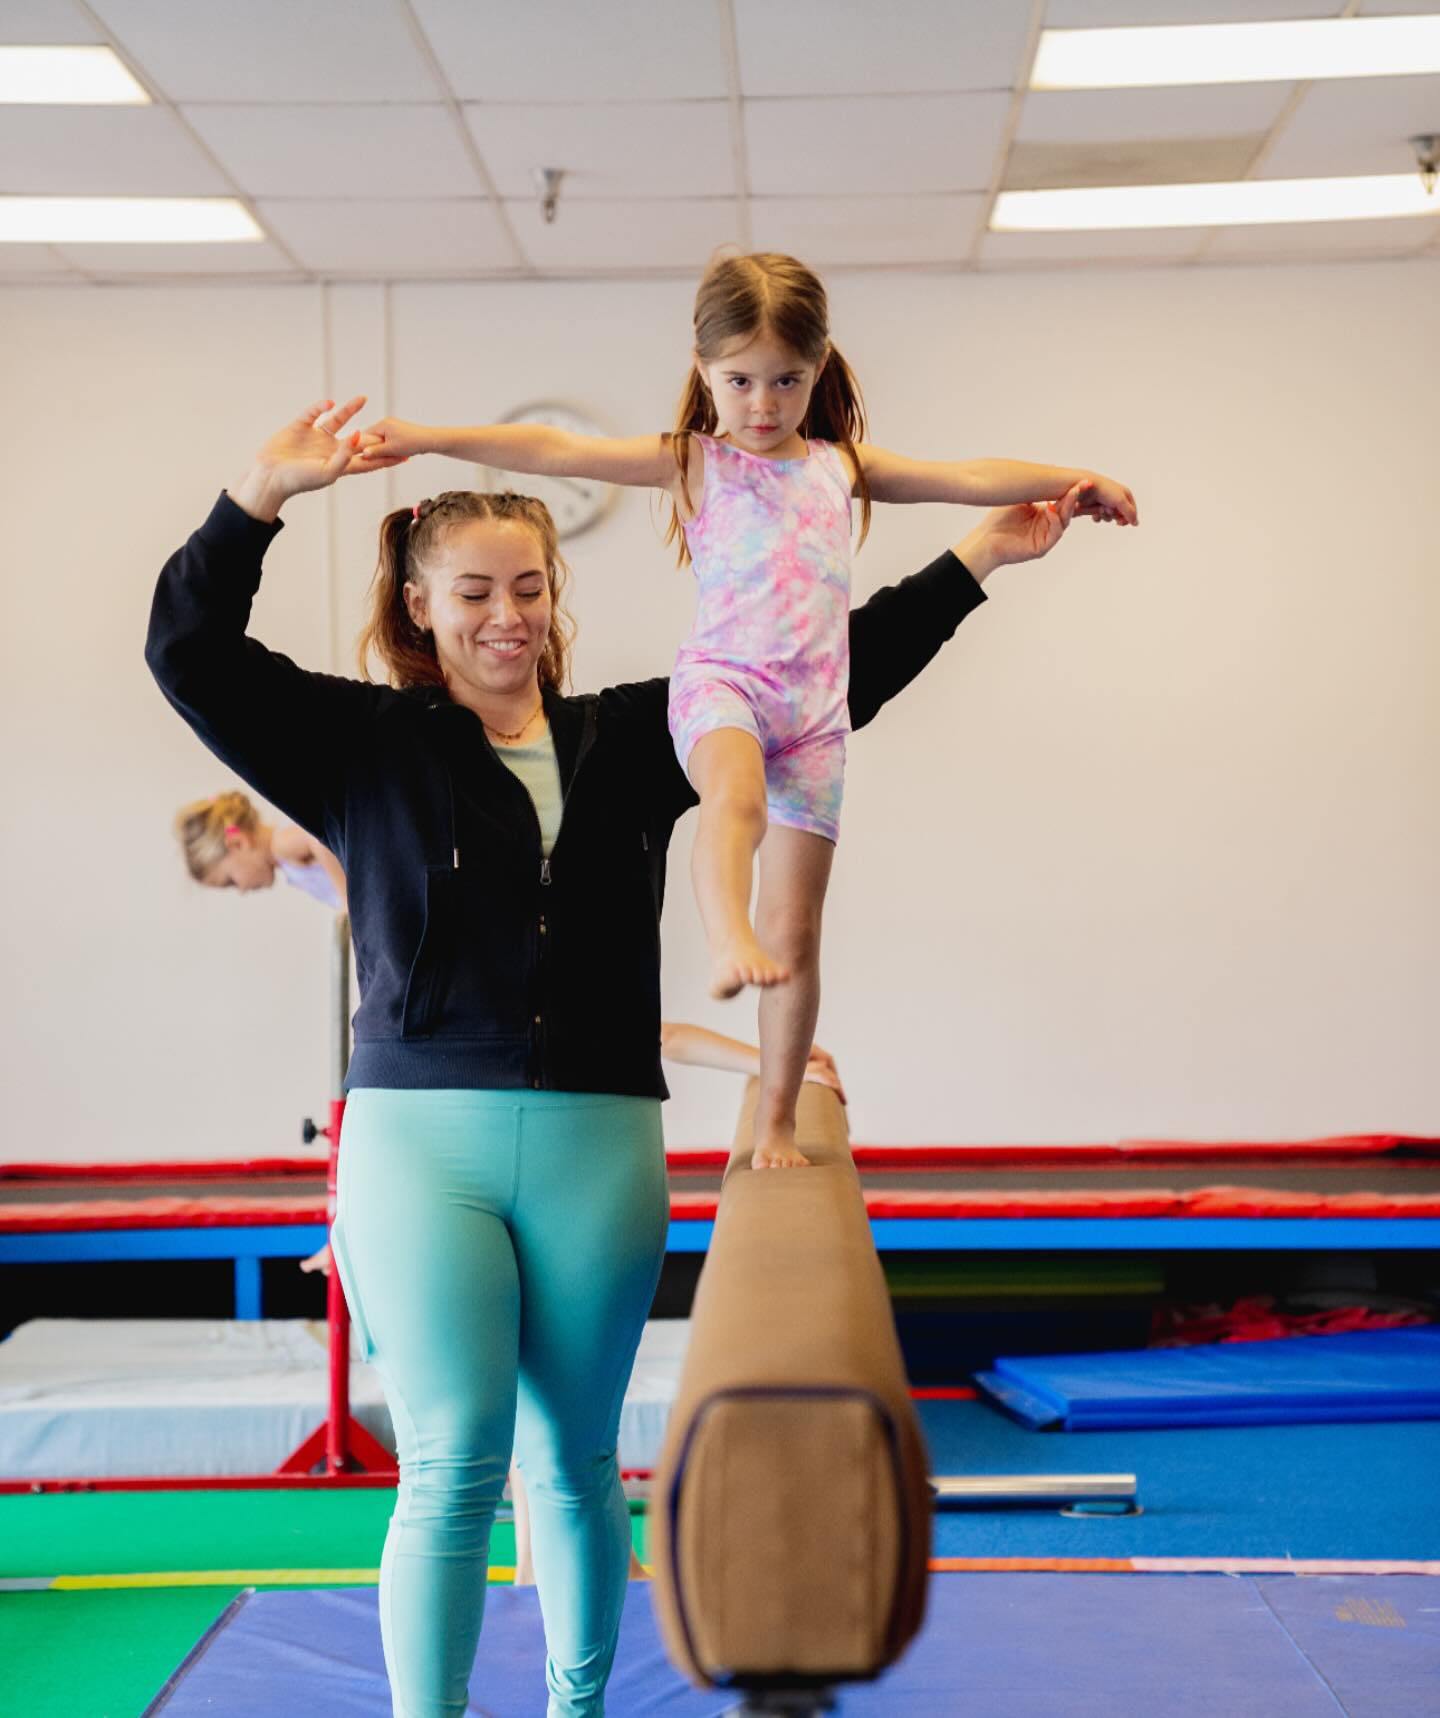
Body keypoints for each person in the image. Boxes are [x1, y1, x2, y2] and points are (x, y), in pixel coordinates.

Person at [147, 392, 1087, 1718]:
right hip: (423, 1144)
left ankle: (576, 1709)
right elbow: (188, 648)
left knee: (579, 1465)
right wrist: (258, 492)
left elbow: (823, 674)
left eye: (528, 586)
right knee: (455, 1460)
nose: (506, 614)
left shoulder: (637, 739)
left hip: (599, 1141)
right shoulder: (360, 749)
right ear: (422, 606)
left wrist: (977, 560)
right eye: (473, 590)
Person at [359, 250, 1137, 1175]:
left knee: (799, 936)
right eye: (739, 381)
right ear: (702, 371)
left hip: (817, 714)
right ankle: (729, 933)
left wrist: (1074, 478)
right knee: (732, 803)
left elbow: (962, 474)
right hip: (725, 685)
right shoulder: (696, 463)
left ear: (817, 371)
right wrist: (427, 434)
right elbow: (557, 452)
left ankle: (774, 1123)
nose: (762, 403)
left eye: (786, 380)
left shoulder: (840, 466)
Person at [173, 788, 347, 910]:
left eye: (231, 881)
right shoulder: (284, 859)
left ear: (238, 843)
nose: (241, 890)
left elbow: (315, 839)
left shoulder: (280, 845)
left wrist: (349, 906)